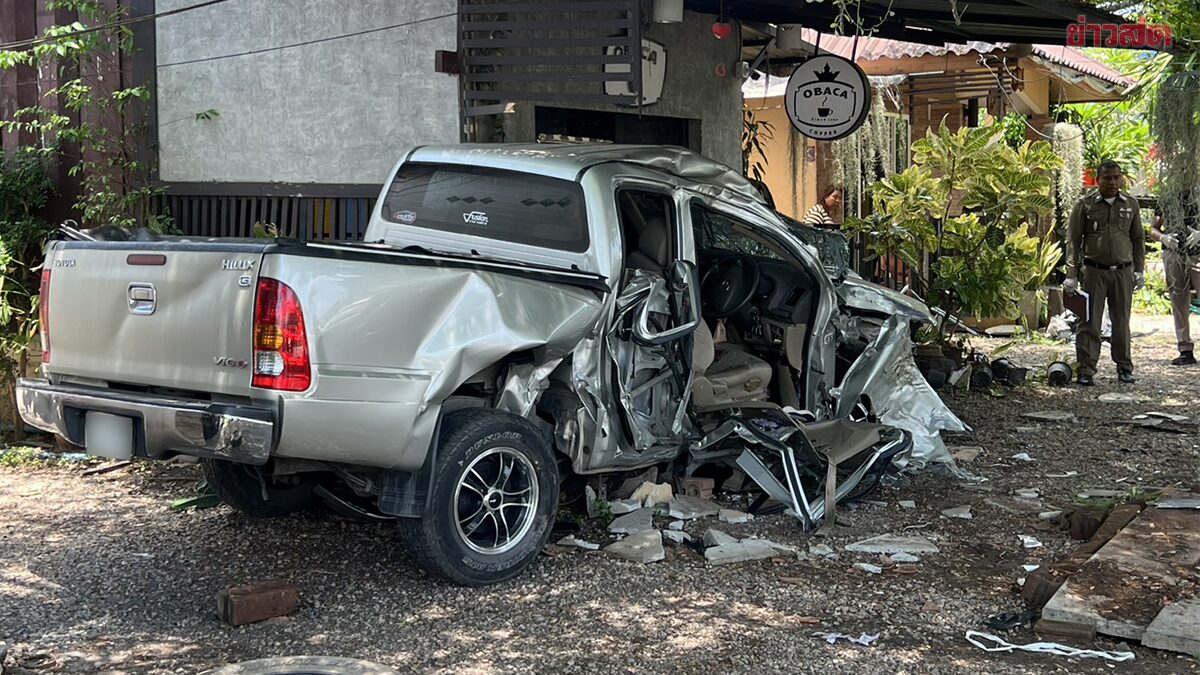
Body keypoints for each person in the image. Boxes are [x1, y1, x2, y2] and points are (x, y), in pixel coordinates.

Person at [1063, 160, 1145, 386]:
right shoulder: (1085, 204)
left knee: (1121, 322)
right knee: (1088, 321)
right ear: (1098, 180)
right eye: (1107, 178)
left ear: (1121, 179)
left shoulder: (1131, 204)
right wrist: (1071, 274)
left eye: (1116, 177)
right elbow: (1073, 241)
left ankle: (1124, 368)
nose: (1112, 182)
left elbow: (1138, 239)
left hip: (1122, 272)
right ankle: (1086, 370)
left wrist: (1139, 270)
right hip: (1093, 272)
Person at [1149, 191, 1200, 365]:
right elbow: (1153, 228)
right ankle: (1185, 348)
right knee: (1179, 301)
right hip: (1173, 254)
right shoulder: (1167, 197)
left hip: (1198, 254)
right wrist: (1163, 237)